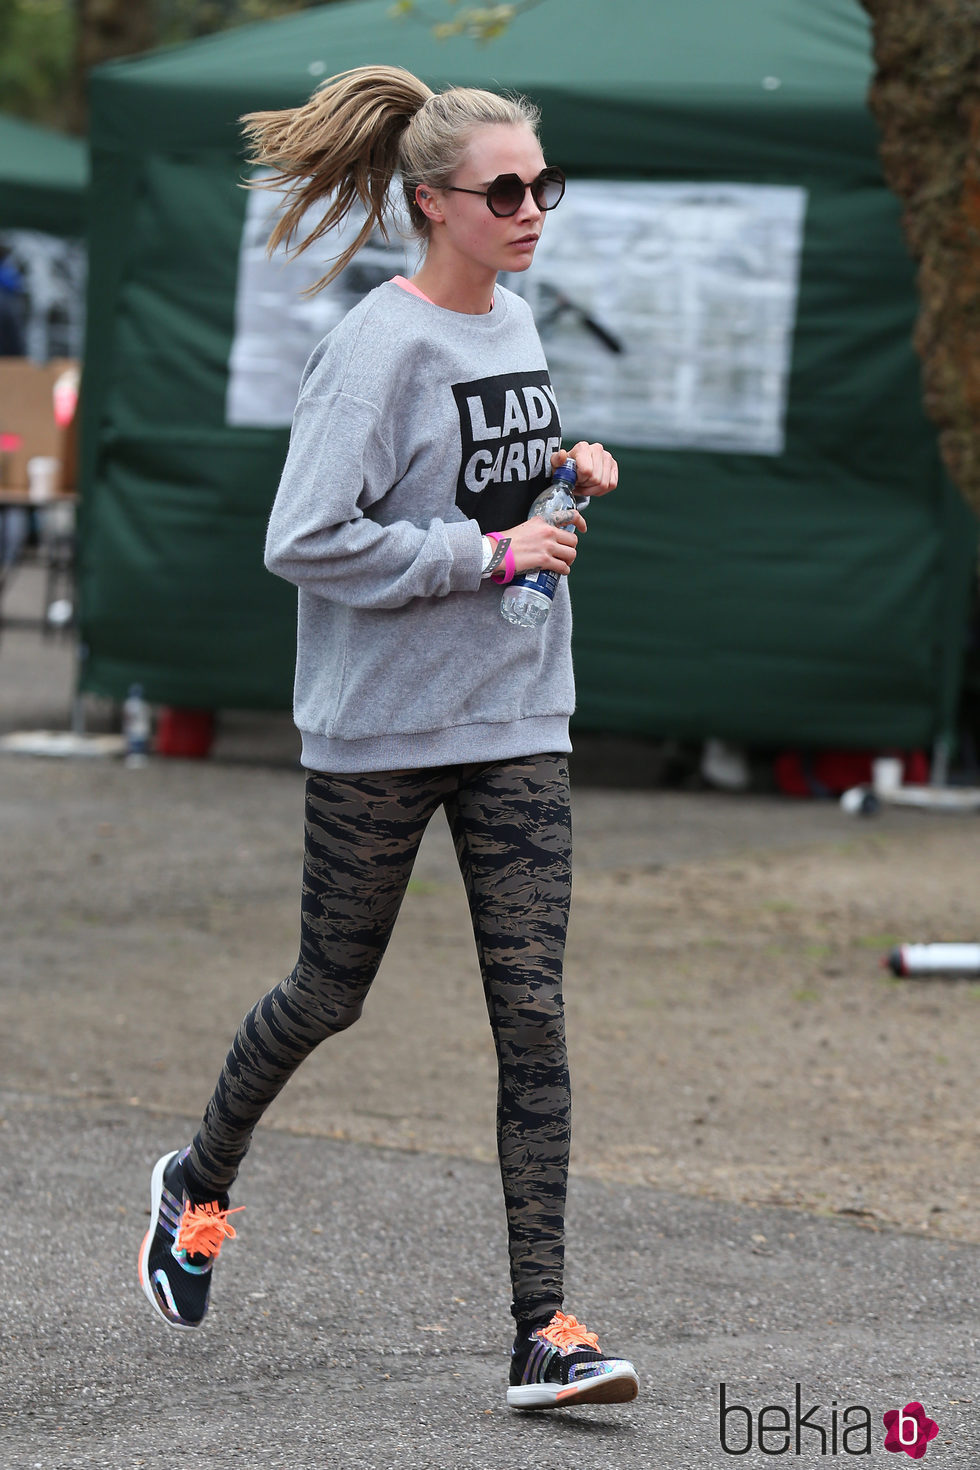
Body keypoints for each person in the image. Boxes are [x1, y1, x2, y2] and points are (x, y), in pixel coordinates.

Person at [138, 64, 638, 1411]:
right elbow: (304, 536)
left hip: (518, 715)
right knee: (328, 991)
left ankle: (547, 1327)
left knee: (532, 1011)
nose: (534, 208)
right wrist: (485, 553)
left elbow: (494, 504)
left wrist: (560, 479)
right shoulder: (378, 346)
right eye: (507, 190)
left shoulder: (517, 321)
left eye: (546, 183)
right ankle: (197, 1179)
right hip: (381, 730)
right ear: (433, 203)